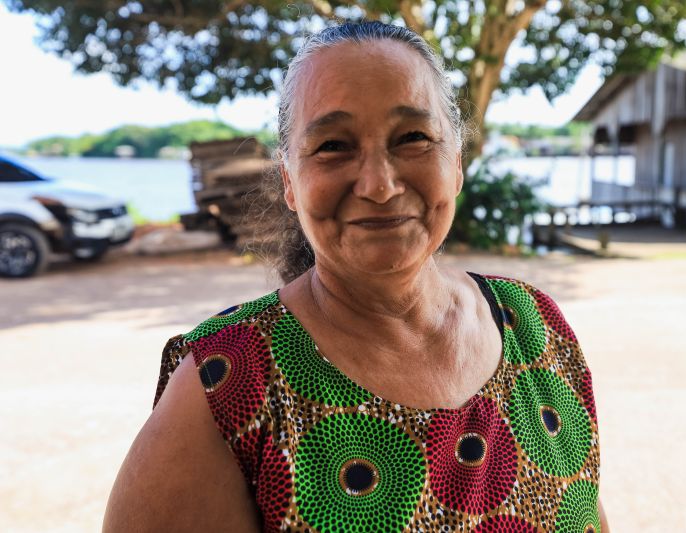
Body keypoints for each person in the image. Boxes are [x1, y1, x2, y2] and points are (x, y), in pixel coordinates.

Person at [103, 21, 609, 533]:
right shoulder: (226, 384)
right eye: (332, 146)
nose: (380, 185)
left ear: (455, 162)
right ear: (291, 183)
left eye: (413, 137)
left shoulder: (536, 328)